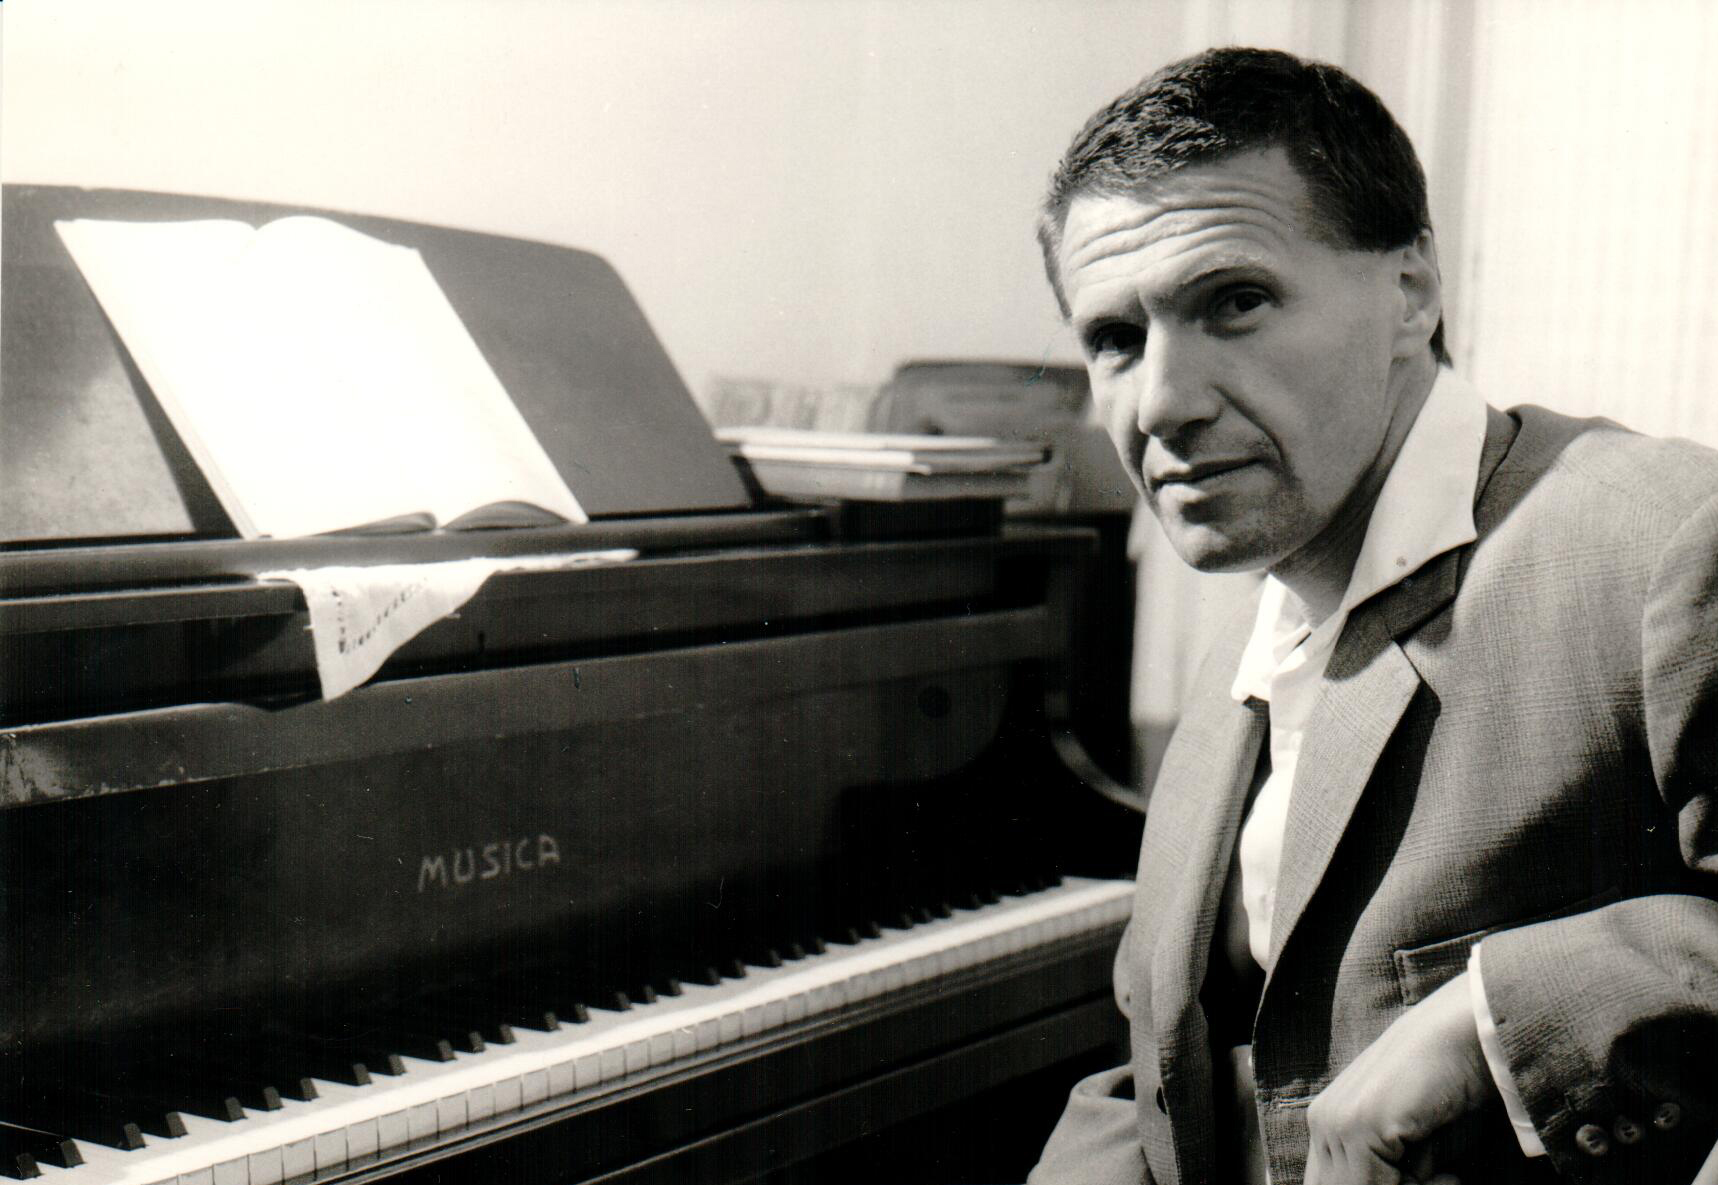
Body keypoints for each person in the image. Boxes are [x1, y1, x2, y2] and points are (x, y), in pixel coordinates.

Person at [1028, 46, 1718, 1185]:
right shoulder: (1255, 619)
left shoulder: (1667, 540)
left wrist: (1492, 1022)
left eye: (1233, 302)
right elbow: (1179, 1082)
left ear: (1411, 293)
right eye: (1114, 339)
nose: (1161, 403)